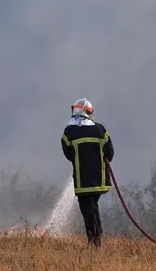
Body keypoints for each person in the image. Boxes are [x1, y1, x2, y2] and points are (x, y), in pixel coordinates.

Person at [61, 98, 115, 247]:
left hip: (82, 179)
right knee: (93, 205)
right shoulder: (100, 129)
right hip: (100, 179)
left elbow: (67, 153)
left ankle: (95, 243)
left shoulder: (69, 131)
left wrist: (80, 161)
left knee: (87, 209)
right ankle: (98, 237)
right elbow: (110, 153)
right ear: (90, 112)